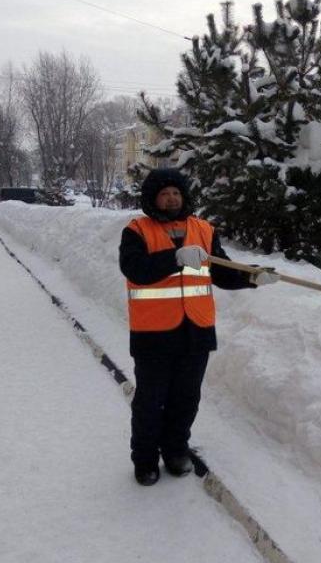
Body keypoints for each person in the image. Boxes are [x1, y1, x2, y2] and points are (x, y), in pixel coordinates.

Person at [119, 168, 279, 486]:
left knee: (186, 397)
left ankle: (176, 449)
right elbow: (135, 269)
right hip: (153, 333)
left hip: (196, 331)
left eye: (176, 193)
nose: (171, 198)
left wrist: (251, 277)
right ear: (153, 198)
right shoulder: (137, 230)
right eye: (164, 194)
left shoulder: (203, 229)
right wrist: (175, 257)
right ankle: (145, 459)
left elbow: (221, 270)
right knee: (150, 400)